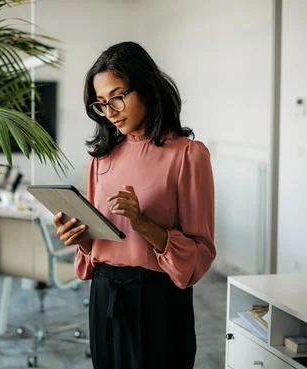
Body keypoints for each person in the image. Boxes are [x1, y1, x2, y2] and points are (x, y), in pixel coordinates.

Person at [53, 41, 216, 369]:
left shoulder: (188, 154)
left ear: (145, 87)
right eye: (101, 103)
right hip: (104, 295)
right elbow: (103, 240)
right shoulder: (102, 158)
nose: (110, 111)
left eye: (117, 96)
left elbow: (200, 255)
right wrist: (82, 239)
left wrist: (144, 224)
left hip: (157, 302)